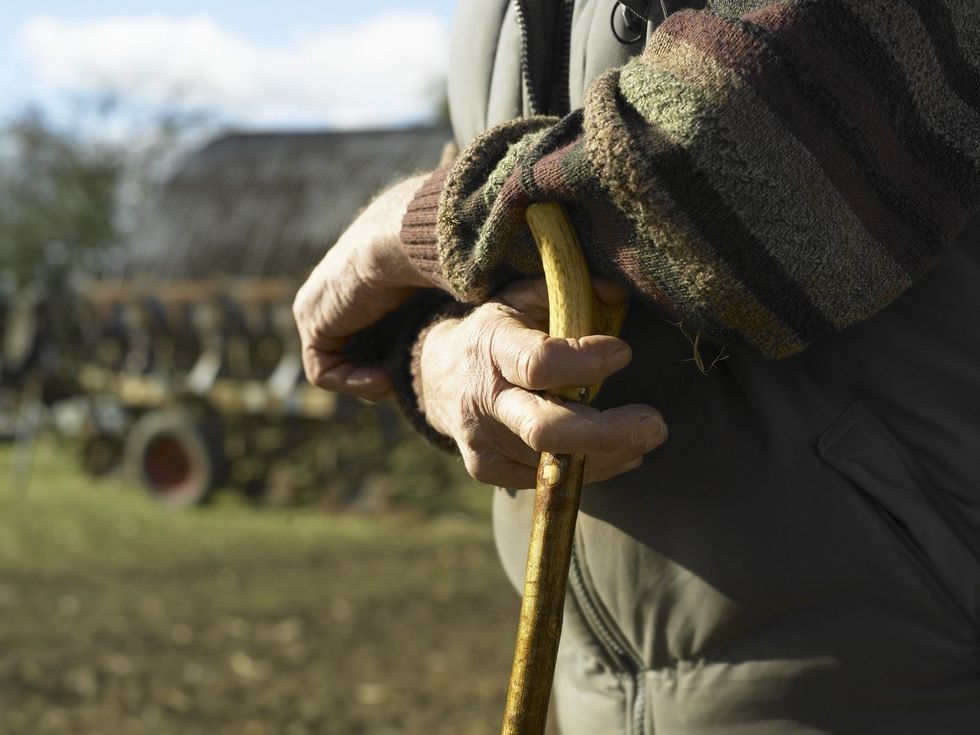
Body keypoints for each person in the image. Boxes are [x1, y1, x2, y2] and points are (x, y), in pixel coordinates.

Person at [294, 1, 980, 731]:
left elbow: (735, 153)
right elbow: (474, 244)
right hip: (593, 689)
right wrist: (440, 353)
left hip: (902, 673)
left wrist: (409, 229)